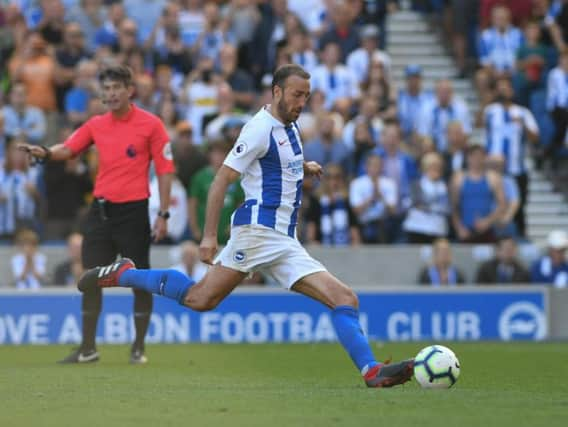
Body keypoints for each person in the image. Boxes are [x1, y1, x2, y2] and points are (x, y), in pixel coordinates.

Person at [76, 64, 414, 388]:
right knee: (199, 299)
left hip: (284, 238)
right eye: (296, 95)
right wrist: (209, 236)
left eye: (306, 96)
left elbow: (279, 163)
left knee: (344, 298)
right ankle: (124, 274)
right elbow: (221, 180)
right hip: (257, 233)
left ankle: (372, 372)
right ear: (277, 91)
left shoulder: (290, 125)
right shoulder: (258, 128)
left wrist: (304, 167)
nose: (301, 103)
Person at [19, 65, 175, 364]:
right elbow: (69, 148)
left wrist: (163, 214)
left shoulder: (151, 124)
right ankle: (88, 349)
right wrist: (46, 152)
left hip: (133, 212)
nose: (111, 93)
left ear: (130, 90)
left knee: (139, 280)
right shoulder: (96, 124)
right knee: (90, 278)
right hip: (101, 212)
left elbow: (166, 171)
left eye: (117, 87)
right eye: (106, 89)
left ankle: (138, 348)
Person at [483, 77, 539, 237]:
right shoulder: (490, 111)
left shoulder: (523, 112)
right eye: (500, 88)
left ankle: (520, 236)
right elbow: (479, 124)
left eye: (506, 87)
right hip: (494, 169)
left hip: (516, 168)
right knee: (492, 204)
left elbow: (535, 137)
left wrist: (522, 123)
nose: (503, 91)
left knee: (519, 207)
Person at [188, 140, 244, 244]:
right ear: (209, 155)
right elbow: (192, 204)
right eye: (216, 153)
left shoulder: (235, 178)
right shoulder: (200, 177)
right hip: (204, 232)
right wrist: (195, 229)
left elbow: (241, 204)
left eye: (222, 153)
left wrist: (234, 225)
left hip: (228, 233)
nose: (219, 157)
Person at [450, 144, 505, 243]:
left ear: (484, 158)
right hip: (465, 230)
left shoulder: (493, 178)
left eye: (480, 157)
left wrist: (488, 221)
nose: (477, 160)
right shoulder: (459, 178)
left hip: (487, 229)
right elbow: (454, 206)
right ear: (468, 158)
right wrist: (459, 227)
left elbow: (502, 204)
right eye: (474, 156)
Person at [305, 164, 361, 246]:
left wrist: (355, 244)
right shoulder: (316, 200)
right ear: (323, 180)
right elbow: (311, 233)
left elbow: (354, 231)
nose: (333, 181)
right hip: (322, 247)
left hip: (345, 248)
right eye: (329, 178)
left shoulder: (346, 200)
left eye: (337, 177)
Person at [349, 153, 397, 244]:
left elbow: (393, 211)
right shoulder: (357, 184)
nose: (375, 168)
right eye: (373, 165)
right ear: (366, 167)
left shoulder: (389, 183)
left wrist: (381, 196)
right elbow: (355, 210)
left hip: (383, 226)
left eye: (378, 165)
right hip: (364, 225)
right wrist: (370, 199)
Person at [403, 152, 450, 244]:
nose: (435, 169)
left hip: (438, 228)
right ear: (425, 167)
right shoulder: (417, 184)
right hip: (418, 228)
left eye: (438, 166)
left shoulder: (444, 186)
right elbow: (416, 203)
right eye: (432, 166)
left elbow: (447, 207)